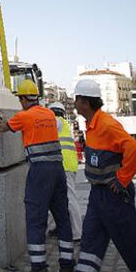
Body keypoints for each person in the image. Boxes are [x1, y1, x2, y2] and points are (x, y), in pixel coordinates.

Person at [61, 79, 136, 272]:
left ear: (85, 102)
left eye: (76, 99)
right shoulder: (92, 125)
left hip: (114, 195)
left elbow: (134, 149)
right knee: (91, 238)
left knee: (128, 241)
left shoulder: (107, 125)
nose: (74, 103)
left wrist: (122, 179)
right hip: (98, 194)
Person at [0, 80, 74, 272]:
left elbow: (3, 128)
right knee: (62, 219)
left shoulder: (24, 116)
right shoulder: (49, 114)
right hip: (58, 170)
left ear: (22, 99)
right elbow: (25, 124)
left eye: (19, 99)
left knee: (35, 220)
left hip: (40, 172)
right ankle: (68, 269)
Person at [49, 102, 82, 242]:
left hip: (64, 165)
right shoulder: (64, 125)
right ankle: (58, 226)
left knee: (69, 199)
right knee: (57, 199)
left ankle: (76, 232)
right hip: (67, 164)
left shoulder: (57, 122)